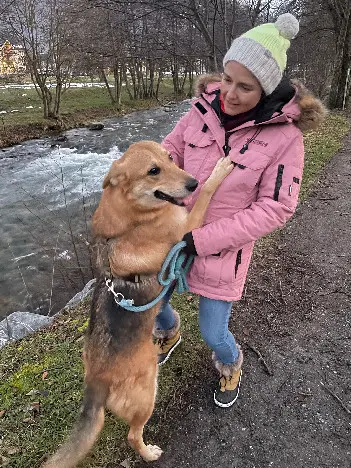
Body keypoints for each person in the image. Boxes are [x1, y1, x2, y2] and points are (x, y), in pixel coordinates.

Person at [153, 13, 326, 408]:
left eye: (245, 87)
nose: (229, 93)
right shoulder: (201, 111)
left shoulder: (285, 140)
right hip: (169, 234)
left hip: (221, 252)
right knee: (152, 306)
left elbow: (277, 208)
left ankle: (230, 365)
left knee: (215, 333)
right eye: (227, 78)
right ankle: (169, 331)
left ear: (266, 89)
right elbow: (171, 151)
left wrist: (202, 239)